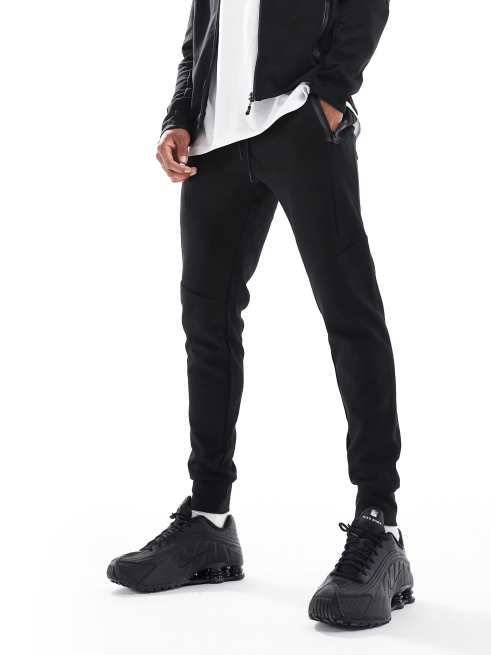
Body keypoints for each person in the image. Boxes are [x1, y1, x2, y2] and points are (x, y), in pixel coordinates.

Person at [107, 0, 414, 628]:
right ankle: (208, 521)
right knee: (206, 326)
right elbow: (201, 28)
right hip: (215, 139)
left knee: (349, 312)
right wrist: (180, 115)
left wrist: (329, 95)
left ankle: (380, 526)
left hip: (298, 117)